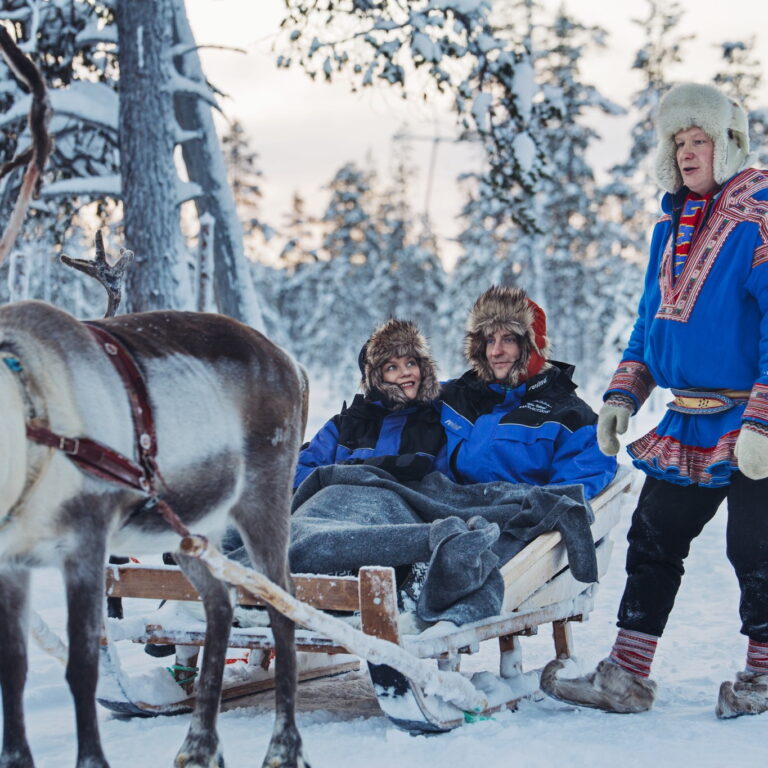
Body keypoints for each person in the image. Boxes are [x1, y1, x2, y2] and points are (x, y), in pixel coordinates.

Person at [541, 82, 768, 719]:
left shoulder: (761, 214)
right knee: (653, 537)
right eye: (679, 142)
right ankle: (627, 675)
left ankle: (763, 676)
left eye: (700, 140)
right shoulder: (670, 224)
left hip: (756, 417)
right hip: (689, 418)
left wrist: (763, 420)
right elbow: (652, 319)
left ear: (727, 144)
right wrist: (624, 394)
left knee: (757, 547)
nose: (689, 152)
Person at [439, 284, 617, 500]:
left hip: (518, 526)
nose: (496, 351)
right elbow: (395, 404)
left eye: (508, 339)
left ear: (532, 346)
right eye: (489, 340)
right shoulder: (453, 397)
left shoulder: (571, 419)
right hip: (443, 514)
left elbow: (567, 495)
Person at [295, 316, 449, 489]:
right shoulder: (344, 426)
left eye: (411, 363)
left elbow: (445, 487)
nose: (406, 372)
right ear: (375, 378)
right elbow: (296, 475)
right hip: (336, 512)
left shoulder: (437, 423)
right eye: (392, 367)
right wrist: (350, 471)